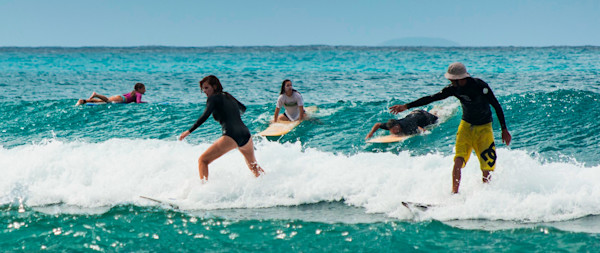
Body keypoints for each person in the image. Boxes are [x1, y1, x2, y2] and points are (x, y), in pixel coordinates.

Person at [389, 62, 512, 194]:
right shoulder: (453, 89)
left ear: (461, 78)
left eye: (453, 80)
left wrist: (504, 129)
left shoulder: (479, 86)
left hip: (484, 127)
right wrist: (407, 106)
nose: (450, 81)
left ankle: (486, 193)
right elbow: (431, 98)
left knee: (486, 165)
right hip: (466, 125)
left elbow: (496, 105)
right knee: (458, 160)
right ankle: (454, 194)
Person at [179, 75, 264, 181]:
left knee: (203, 160)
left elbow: (205, 115)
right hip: (245, 134)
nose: (205, 91)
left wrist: (189, 131)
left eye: (206, 88)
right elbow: (243, 108)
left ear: (214, 86)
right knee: (254, 166)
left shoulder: (212, 98)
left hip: (231, 134)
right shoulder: (228, 96)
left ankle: (203, 191)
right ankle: (270, 187)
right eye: (203, 89)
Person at [365, 110, 438, 140]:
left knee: (437, 119)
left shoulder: (407, 126)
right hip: (413, 114)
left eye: (393, 130)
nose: (392, 132)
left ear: (397, 127)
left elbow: (419, 128)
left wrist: (426, 135)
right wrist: (371, 133)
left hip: (423, 116)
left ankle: (437, 111)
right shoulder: (390, 125)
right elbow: (377, 124)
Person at [76, 83, 146, 105]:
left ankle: (83, 101)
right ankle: (96, 95)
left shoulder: (133, 92)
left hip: (120, 97)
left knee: (102, 101)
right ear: (139, 89)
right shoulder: (139, 94)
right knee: (107, 100)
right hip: (121, 99)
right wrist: (145, 103)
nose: (145, 90)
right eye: (144, 88)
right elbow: (138, 102)